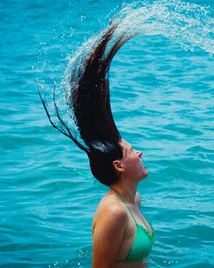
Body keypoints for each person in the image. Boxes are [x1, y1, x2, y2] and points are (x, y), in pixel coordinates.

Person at [39, 23, 155, 267]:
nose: (140, 152)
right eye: (132, 151)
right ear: (119, 166)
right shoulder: (114, 212)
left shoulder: (134, 201)